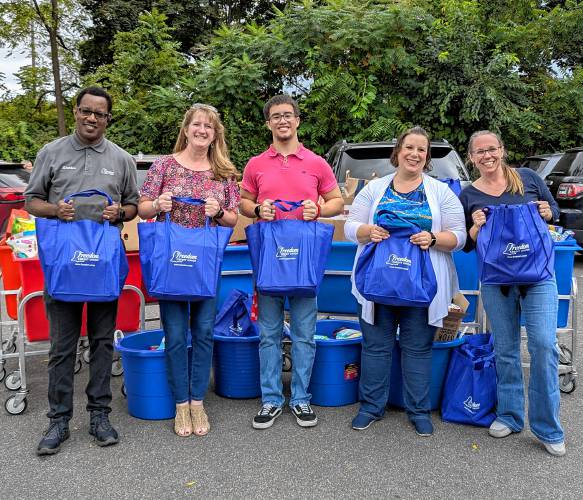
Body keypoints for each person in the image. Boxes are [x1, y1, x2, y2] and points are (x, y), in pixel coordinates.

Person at [25, 86, 139, 455]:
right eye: (86, 111)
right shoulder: (52, 152)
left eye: (100, 114)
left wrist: (119, 212)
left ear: (108, 119)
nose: (92, 118)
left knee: (104, 342)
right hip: (63, 265)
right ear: (75, 112)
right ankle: (58, 420)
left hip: (103, 264)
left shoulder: (120, 159)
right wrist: (56, 210)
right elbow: (32, 200)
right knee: (62, 347)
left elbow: (134, 206)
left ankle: (99, 415)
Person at [344, 126, 466, 436]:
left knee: (418, 348)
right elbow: (350, 225)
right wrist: (366, 232)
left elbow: (460, 236)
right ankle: (371, 407)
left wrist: (434, 237)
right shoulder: (374, 190)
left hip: (422, 287)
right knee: (375, 347)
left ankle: (419, 410)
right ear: (398, 152)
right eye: (409, 147)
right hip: (378, 283)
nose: (414, 154)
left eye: (421, 150)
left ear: (426, 158)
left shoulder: (440, 192)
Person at [240, 94, 343, 429]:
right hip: (271, 255)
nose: (282, 121)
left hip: (304, 257)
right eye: (275, 116)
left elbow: (336, 201)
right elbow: (243, 201)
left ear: (298, 120)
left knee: (304, 332)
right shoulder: (256, 164)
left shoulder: (315, 163)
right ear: (268, 123)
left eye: (288, 115)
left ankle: (300, 399)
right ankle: (271, 399)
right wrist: (257, 210)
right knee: (268, 333)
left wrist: (320, 209)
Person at [459, 130, 565, 456]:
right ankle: (510, 414)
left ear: (502, 150)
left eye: (492, 149)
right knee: (505, 349)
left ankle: (548, 427)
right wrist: (475, 227)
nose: (487, 156)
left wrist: (549, 213)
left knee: (544, 345)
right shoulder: (468, 195)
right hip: (497, 281)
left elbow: (555, 212)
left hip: (538, 278)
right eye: (480, 152)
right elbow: (466, 244)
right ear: (472, 158)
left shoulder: (528, 178)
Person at [138, 103, 239, 437]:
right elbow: (142, 207)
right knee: (177, 334)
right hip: (171, 263)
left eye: (209, 127)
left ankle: (198, 401)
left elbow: (233, 218)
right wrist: (157, 205)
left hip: (205, 264)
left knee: (205, 332)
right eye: (197, 124)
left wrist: (219, 210)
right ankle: (181, 405)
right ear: (186, 128)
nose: (202, 131)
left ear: (215, 133)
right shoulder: (164, 166)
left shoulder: (224, 172)